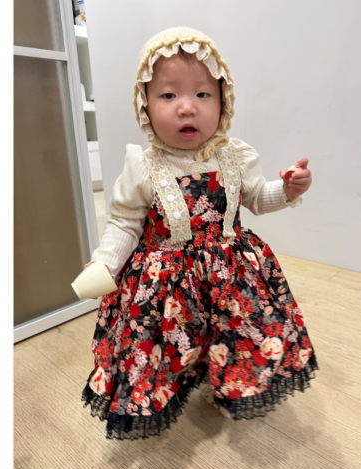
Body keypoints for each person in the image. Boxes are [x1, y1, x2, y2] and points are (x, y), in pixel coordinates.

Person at [81, 27, 319, 440]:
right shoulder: (143, 166)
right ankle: (172, 385)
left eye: (203, 94)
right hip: (167, 286)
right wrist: (104, 264)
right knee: (169, 342)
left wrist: (288, 190)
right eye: (168, 95)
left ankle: (227, 380)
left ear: (224, 102)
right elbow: (124, 223)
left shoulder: (235, 156)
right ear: (144, 105)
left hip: (231, 276)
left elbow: (257, 198)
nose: (187, 108)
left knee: (233, 332)